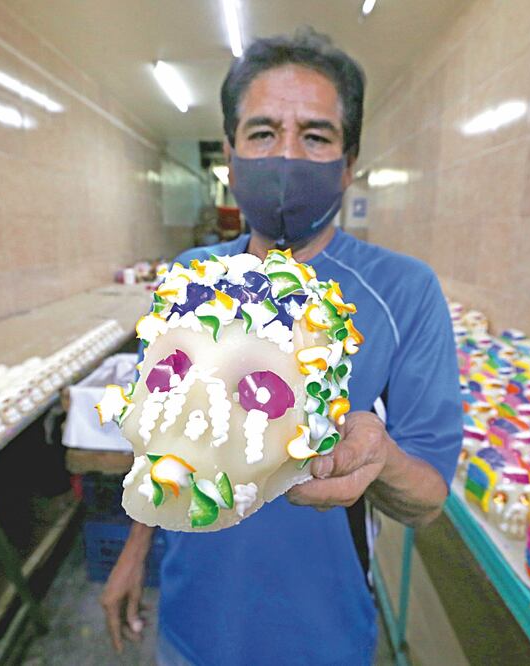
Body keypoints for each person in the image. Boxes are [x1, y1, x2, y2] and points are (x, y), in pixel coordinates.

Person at [101, 27, 462, 665]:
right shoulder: (192, 276)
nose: (287, 157)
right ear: (233, 158)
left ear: (349, 164)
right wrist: (135, 552)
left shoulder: (402, 292)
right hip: (191, 620)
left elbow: (430, 495)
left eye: (315, 136)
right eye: (263, 133)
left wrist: (379, 459)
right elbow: (163, 437)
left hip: (321, 634)